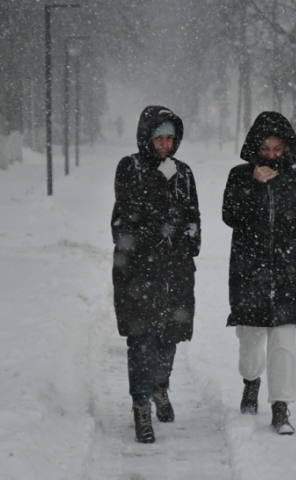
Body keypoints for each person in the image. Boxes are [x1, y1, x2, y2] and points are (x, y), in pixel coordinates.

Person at [222, 111, 296, 435]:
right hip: (249, 273)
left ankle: (281, 407)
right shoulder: (239, 177)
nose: (272, 155)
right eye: (266, 148)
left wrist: (293, 246)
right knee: (250, 340)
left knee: (283, 344)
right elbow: (230, 216)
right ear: (255, 146)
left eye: (278, 148)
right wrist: (253, 185)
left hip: (287, 275)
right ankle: (250, 383)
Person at [111, 105, 201, 444]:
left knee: (169, 337)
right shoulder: (129, 167)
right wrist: (159, 230)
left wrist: (190, 241)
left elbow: (192, 214)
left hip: (175, 270)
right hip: (137, 271)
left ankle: (160, 386)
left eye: (169, 138)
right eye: (158, 138)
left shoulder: (184, 172)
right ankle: (140, 407)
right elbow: (128, 213)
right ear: (146, 138)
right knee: (142, 339)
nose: (165, 144)